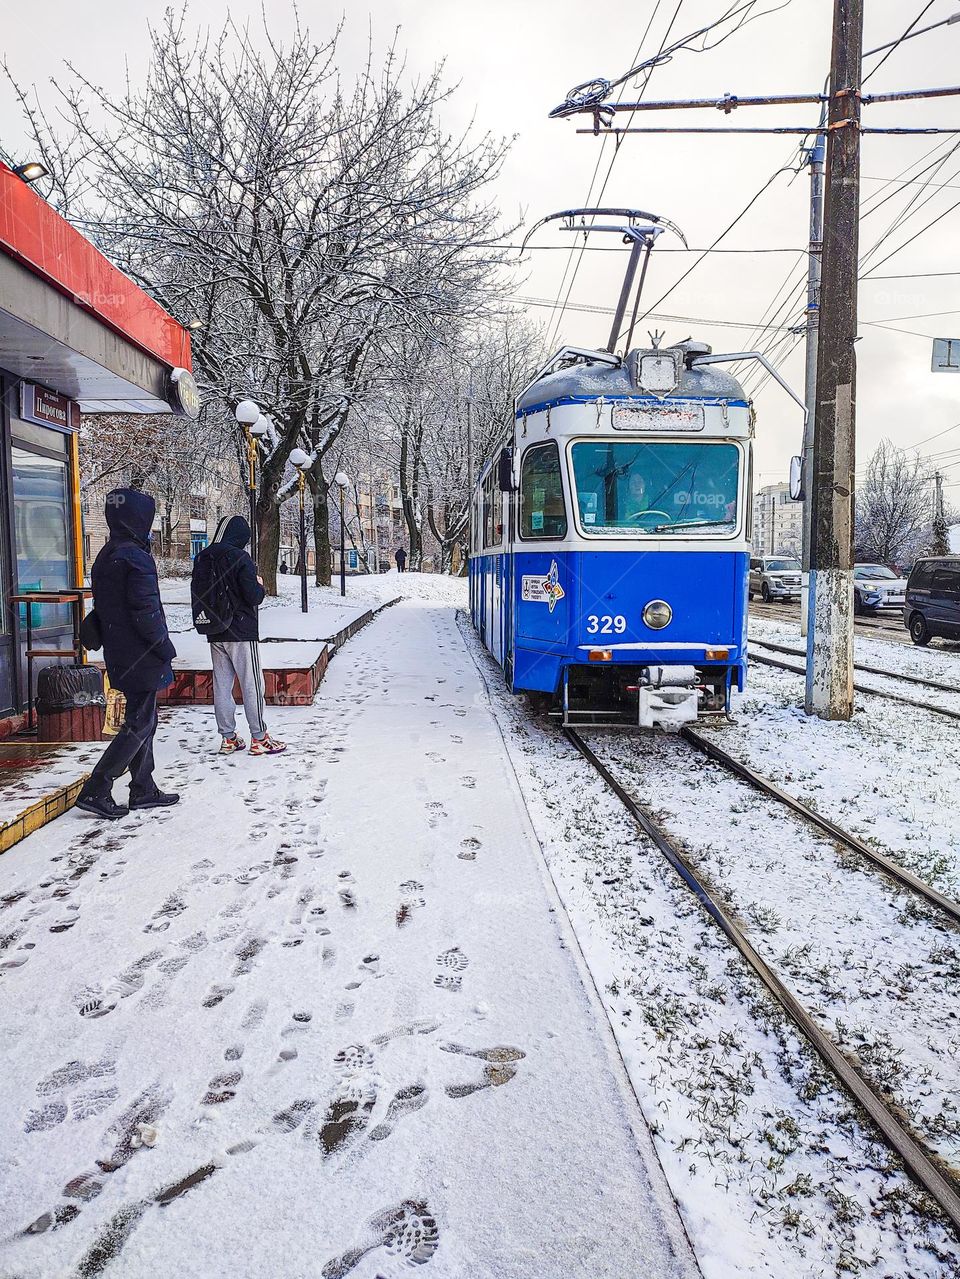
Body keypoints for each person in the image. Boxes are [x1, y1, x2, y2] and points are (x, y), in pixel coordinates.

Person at [75, 489, 179, 820]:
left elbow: (107, 605)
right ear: (137, 519)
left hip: (120, 650)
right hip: (141, 652)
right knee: (140, 721)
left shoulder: (107, 554)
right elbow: (145, 610)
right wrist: (164, 647)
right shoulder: (135, 557)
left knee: (143, 718)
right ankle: (98, 786)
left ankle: (143, 788)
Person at [191, 515, 286, 756]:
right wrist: (259, 584)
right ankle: (259, 737)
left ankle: (228, 737)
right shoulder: (240, 557)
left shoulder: (203, 557)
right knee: (252, 683)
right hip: (241, 631)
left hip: (214, 630)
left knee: (222, 686)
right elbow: (253, 596)